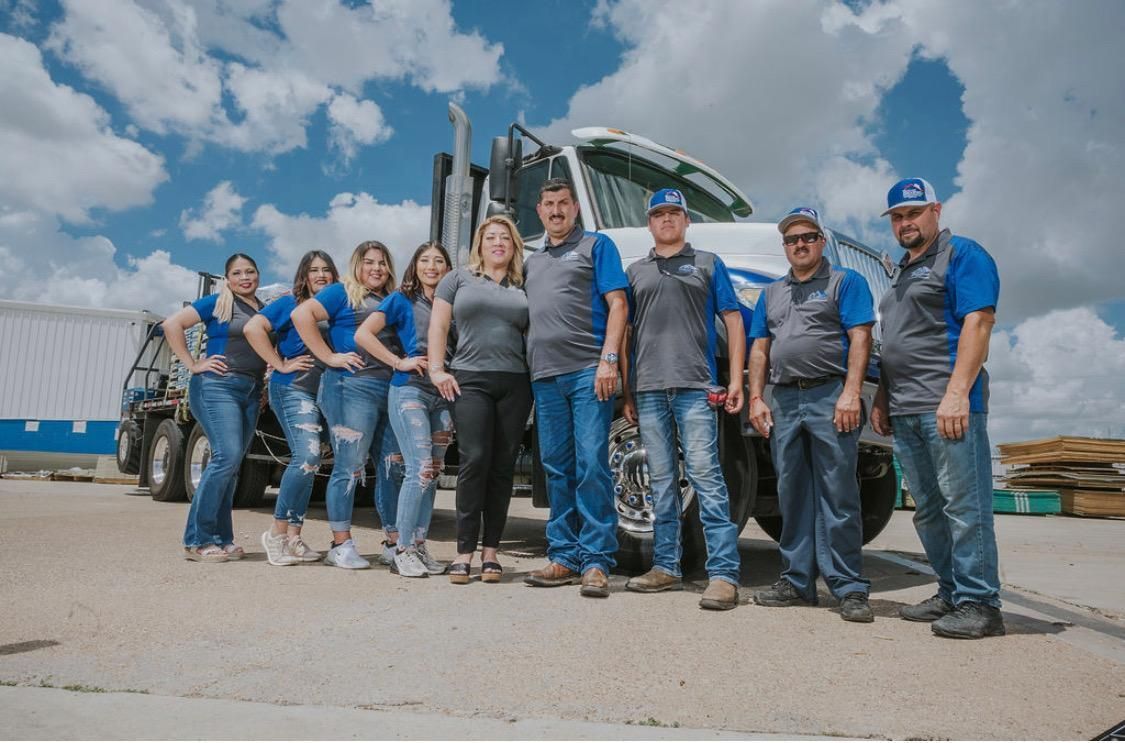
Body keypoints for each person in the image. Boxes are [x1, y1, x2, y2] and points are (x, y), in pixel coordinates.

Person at [871, 178, 1004, 639]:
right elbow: (894, 343)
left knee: (964, 507)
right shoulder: (902, 273)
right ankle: (951, 591)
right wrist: (884, 399)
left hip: (947, 407)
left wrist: (956, 394)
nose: (905, 223)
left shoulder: (963, 255)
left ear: (936, 210)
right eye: (898, 217)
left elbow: (979, 322)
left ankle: (981, 602)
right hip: (906, 410)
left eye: (913, 213)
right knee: (928, 510)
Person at [746, 207, 876, 622]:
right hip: (784, 399)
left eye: (808, 237)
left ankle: (849, 587)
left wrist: (851, 393)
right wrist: (756, 398)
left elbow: (861, 338)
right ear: (784, 246)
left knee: (838, 493)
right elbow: (760, 348)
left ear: (821, 241)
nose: (799, 245)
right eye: (791, 239)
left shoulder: (844, 282)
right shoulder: (771, 293)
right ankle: (796, 581)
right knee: (792, 493)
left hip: (829, 394)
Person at [619, 188, 746, 611]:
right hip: (650, 390)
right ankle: (666, 567)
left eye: (674, 213)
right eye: (659, 214)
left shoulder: (708, 263)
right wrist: (628, 390)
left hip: (696, 387)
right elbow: (628, 335)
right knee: (660, 482)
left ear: (686, 221)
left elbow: (732, 318)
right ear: (650, 224)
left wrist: (739, 382)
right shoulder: (636, 272)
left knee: (706, 477)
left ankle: (724, 574)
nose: (667, 219)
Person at [522, 178, 629, 599]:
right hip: (544, 378)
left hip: (587, 372)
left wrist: (609, 361)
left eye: (563, 203)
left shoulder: (596, 247)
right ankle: (563, 556)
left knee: (591, 466)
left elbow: (618, 305)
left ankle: (598, 560)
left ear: (575, 208)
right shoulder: (533, 261)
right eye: (548, 204)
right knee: (556, 469)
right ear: (539, 211)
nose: (555, 211)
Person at [428, 216, 532, 585]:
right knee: (474, 460)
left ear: (514, 245)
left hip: (517, 383)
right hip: (470, 380)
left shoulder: (524, 284)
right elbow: (439, 326)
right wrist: (437, 370)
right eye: (491, 237)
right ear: (480, 244)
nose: (498, 242)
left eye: (505, 237)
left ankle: (491, 553)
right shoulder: (458, 278)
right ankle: (463, 552)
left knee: (503, 466)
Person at [291, 241, 403, 570]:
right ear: (357, 265)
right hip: (349, 387)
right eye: (369, 262)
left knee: (391, 466)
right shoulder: (341, 292)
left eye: (382, 263)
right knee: (350, 467)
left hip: (387, 388)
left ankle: (393, 543)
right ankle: (341, 544)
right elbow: (302, 315)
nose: (376, 269)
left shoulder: (389, 299)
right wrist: (328, 357)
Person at [355, 241, 455, 578]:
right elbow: (364, 334)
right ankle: (402, 549)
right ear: (415, 266)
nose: (432, 266)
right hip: (409, 390)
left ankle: (420, 544)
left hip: (442, 394)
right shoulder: (401, 299)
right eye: (425, 260)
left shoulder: (452, 301)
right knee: (420, 468)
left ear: (447, 267)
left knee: (434, 472)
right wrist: (399, 361)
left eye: (439, 260)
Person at [165, 253, 266, 562]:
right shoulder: (218, 302)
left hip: (251, 390)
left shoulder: (262, 309)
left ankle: (222, 538)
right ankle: (197, 540)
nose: (245, 277)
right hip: (216, 386)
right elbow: (172, 324)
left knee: (232, 466)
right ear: (228, 278)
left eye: (250, 271)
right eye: (237, 273)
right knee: (226, 457)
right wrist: (193, 364)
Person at [244, 250, 338, 566]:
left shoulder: (334, 305)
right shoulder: (290, 302)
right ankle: (276, 533)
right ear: (304, 275)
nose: (321, 275)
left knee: (313, 463)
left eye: (326, 269)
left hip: (324, 394)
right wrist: (278, 363)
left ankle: (295, 538)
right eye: (314, 270)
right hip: (293, 388)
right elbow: (253, 329)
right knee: (307, 456)